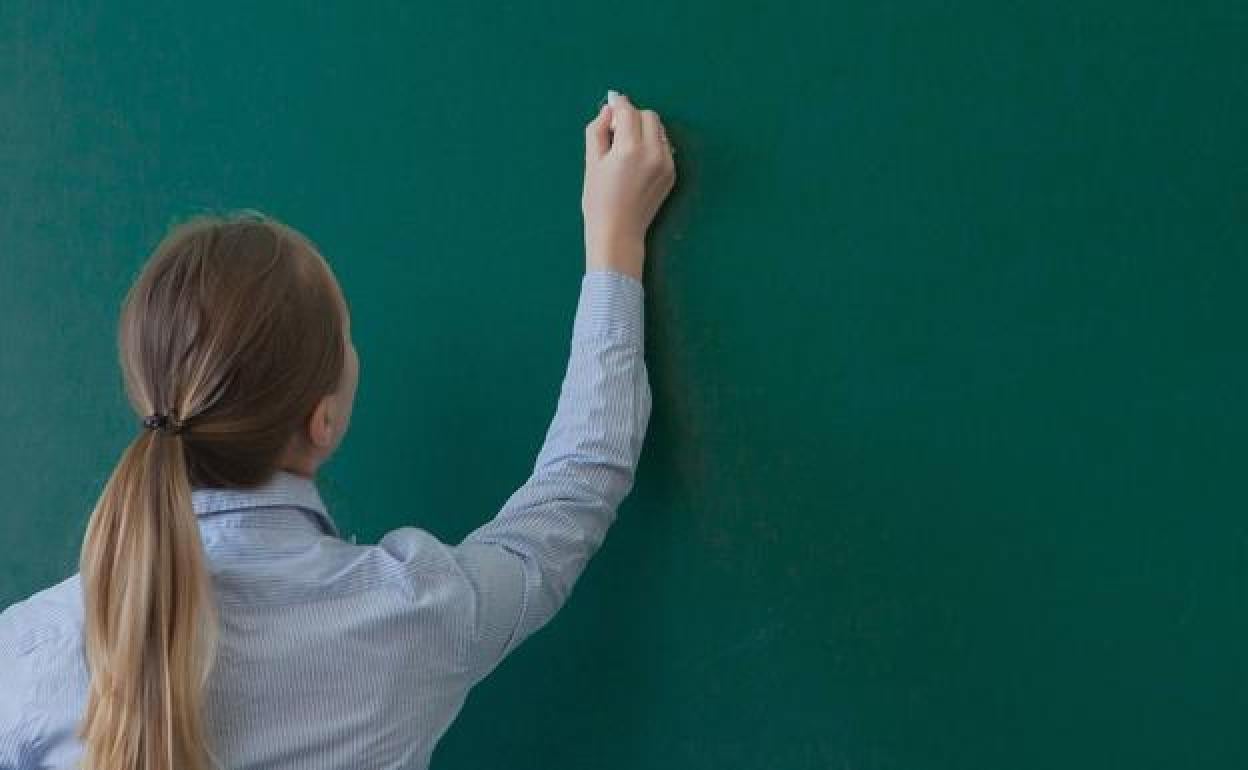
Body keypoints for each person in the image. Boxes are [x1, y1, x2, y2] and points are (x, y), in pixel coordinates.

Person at [0, 90, 675, 770]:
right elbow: (578, 483)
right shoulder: (411, 614)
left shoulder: (27, 654)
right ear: (324, 421)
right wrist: (614, 243)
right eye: (346, 340)